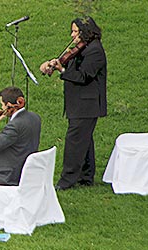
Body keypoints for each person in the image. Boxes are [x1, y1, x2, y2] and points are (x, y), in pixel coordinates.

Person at [39, 16, 107, 190]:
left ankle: (66, 181)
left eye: (75, 31)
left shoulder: (95, 51)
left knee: (74, 142)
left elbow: (83, 76)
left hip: (86, 105)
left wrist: (61, 70)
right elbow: (72, 66)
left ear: (85, 32)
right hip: (81, 104)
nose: (72, 35)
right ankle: (86, 177)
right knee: (84, 140)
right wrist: (54, 63)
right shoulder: (85, 49)